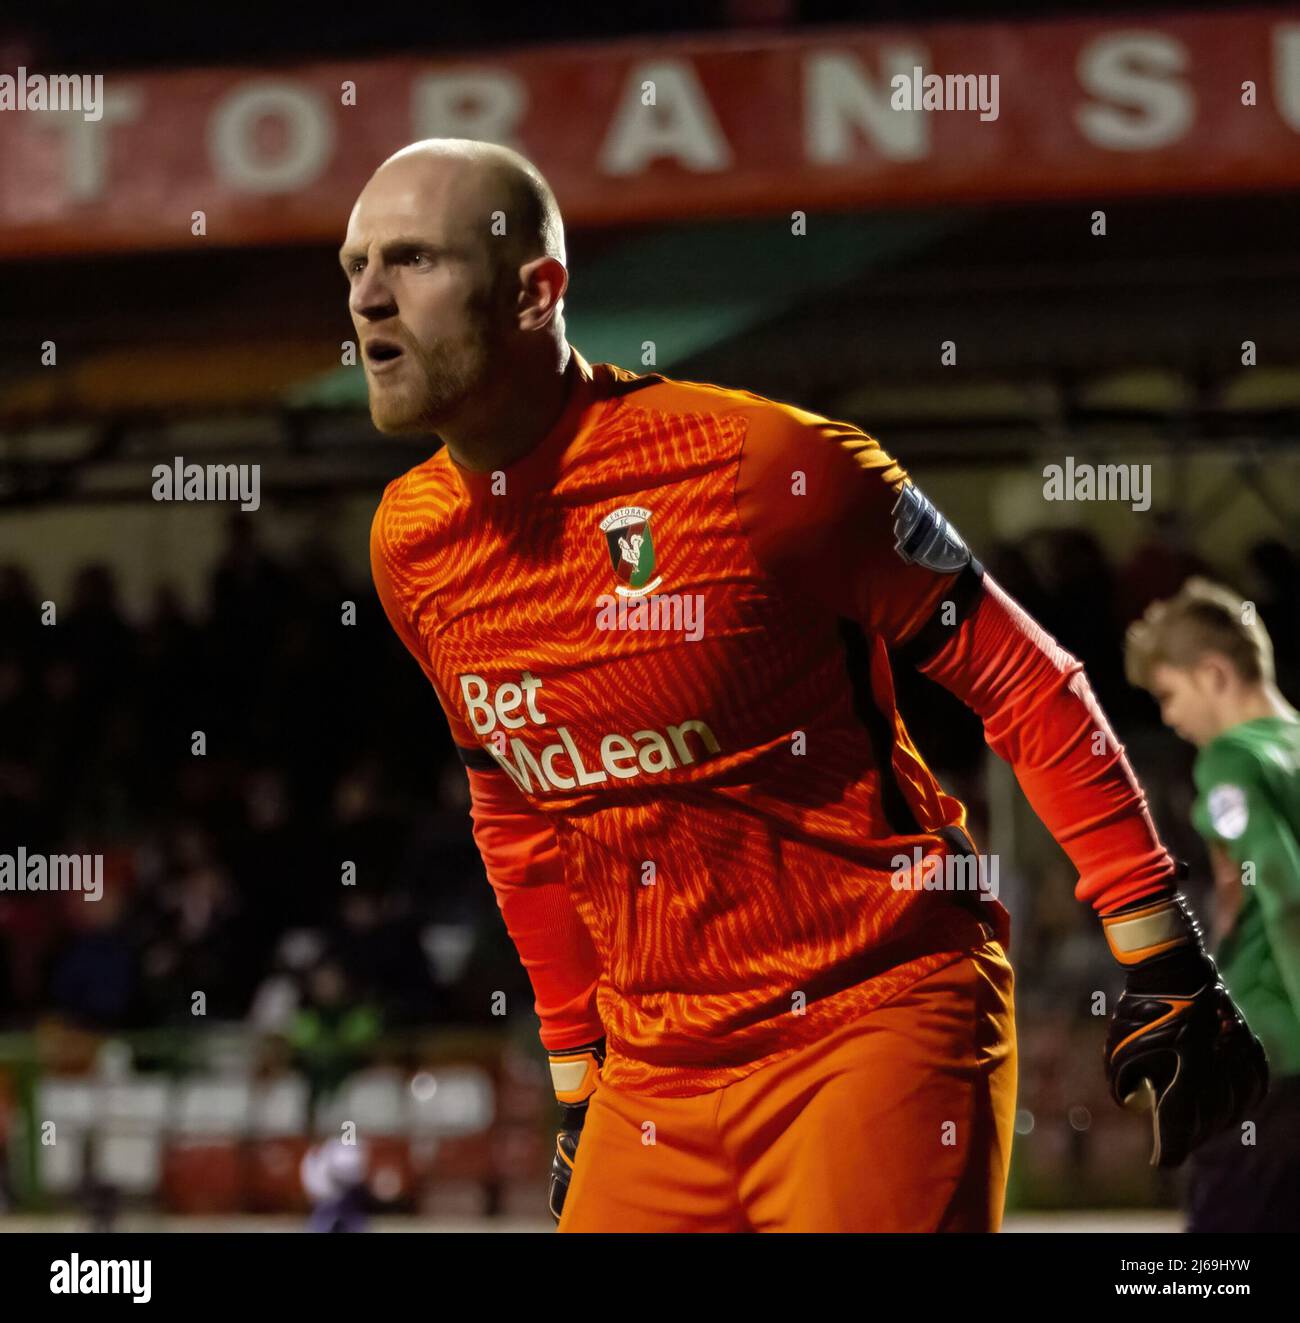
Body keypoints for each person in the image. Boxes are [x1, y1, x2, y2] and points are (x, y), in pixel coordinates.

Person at [352, 138, 1265, 1231]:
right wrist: (575, 1074)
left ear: (535, 290)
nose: (366, 298)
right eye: (354, 267)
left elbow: (1022, 677)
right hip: (653, 1075)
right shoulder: (408, 545)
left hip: (871, 1019)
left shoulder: (764, 469)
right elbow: (512, 808)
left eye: (409, 260)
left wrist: (1160, 950)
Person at [1127, 577, 1300, 1231]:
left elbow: (1282, 891)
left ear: (1215, 673)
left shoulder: (1232, 760)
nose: (1169, 718)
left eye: (1170, 695)